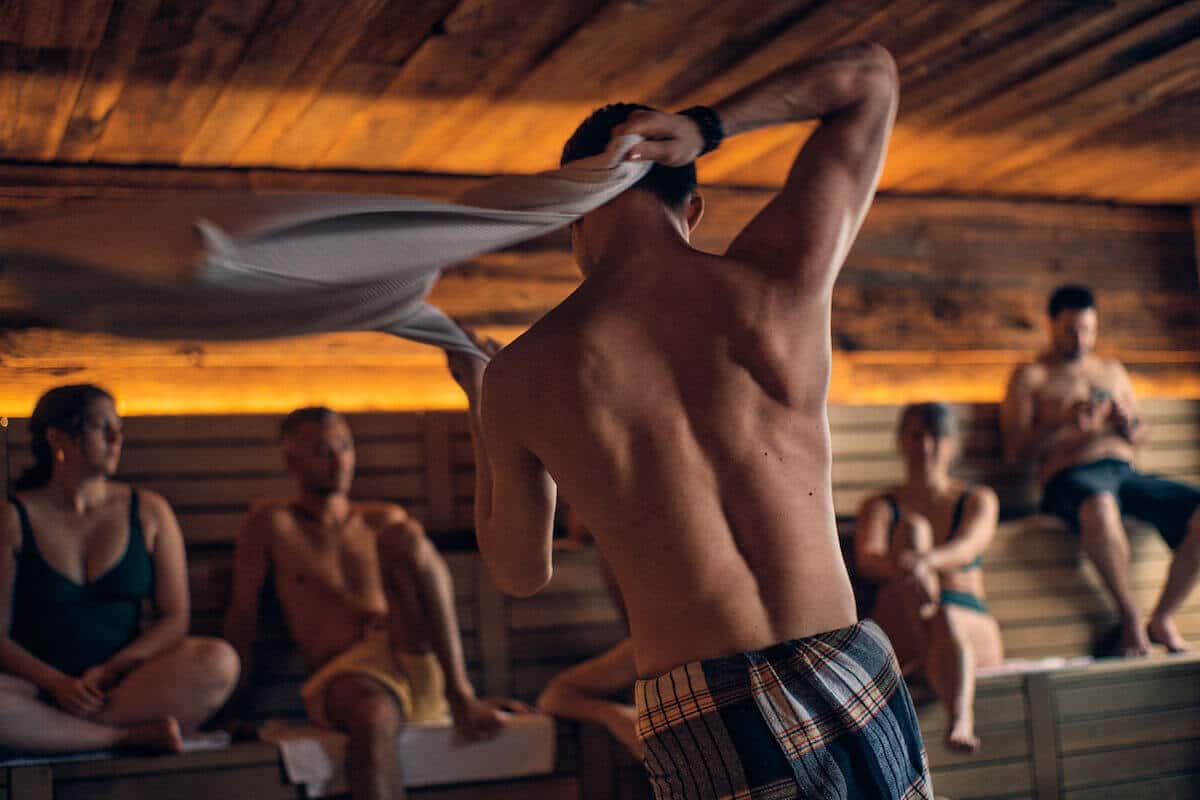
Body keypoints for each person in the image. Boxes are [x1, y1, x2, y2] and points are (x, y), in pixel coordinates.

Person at [448, 41, 932, 799]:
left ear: (575, 216)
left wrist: (483, 403)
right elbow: (872, 75)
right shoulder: (778, 286)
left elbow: (519, 572)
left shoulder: (521, 376)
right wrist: (708, 124)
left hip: (704, 708)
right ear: (693, 206)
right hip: (846, 668)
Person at [224, 407, 528, 800]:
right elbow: (243, 618)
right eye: (321, 449)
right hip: (345, 676)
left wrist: (460, 688)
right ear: (291, 459)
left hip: (410, 658)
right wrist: (235, 709)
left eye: (345, 446)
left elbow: (422, 593)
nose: (338, 459)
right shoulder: (272, 523)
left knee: (402, 537)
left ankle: (460, 692)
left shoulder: (382, 519)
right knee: (373, 713)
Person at [0, 384, 239, 754]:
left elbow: (175, 618)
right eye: (101, 427)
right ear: (57, 438)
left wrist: (111, 670)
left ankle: (53, 734)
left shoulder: (149, 511)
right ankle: (122, 737)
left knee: (219, 661)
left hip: (126, 684)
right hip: (38, 687)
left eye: (119, 428)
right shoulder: (13, 518)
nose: (116, 438)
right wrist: (56, 684)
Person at [1001, 285, 1200, 657]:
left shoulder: (1112, 370)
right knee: (1101, 506)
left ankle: (1163, 617)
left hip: (1125, 472)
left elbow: (1143, 436)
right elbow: (1016, 453)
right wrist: (1061, 423)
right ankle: (1130, 619)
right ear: (1051, 325)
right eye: (1071, 330)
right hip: (1071, 478)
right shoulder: (1032, 377)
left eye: (1088, 330)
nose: (1081, 339)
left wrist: (1129, 425)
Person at [856, 403, 1004, 754]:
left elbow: (968, 547)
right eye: (917, 436)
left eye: (936, 436)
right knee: (913, 528)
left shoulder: (977, 499)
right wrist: (906, 566)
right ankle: (958, 715)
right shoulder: (880, 505)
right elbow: (867, 558)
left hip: (966, 620)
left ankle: (947, 697)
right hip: (902, 622)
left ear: (952, 444)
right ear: (901, 442)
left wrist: (924, 562)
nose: (926, 447)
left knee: (947, 616)